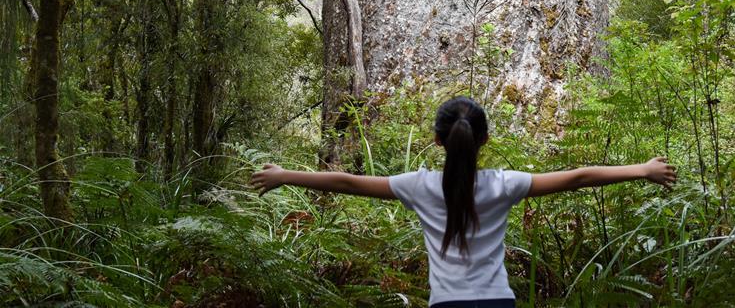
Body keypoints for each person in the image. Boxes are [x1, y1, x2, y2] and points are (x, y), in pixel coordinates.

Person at [250, 95, 677, 307]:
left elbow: (346, 182)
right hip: (497, 302)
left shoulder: (419, 186)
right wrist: (643, 169)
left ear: (438, 141)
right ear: (485, 140)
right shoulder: (504, 184)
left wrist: (284, 175)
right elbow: (580, 178)